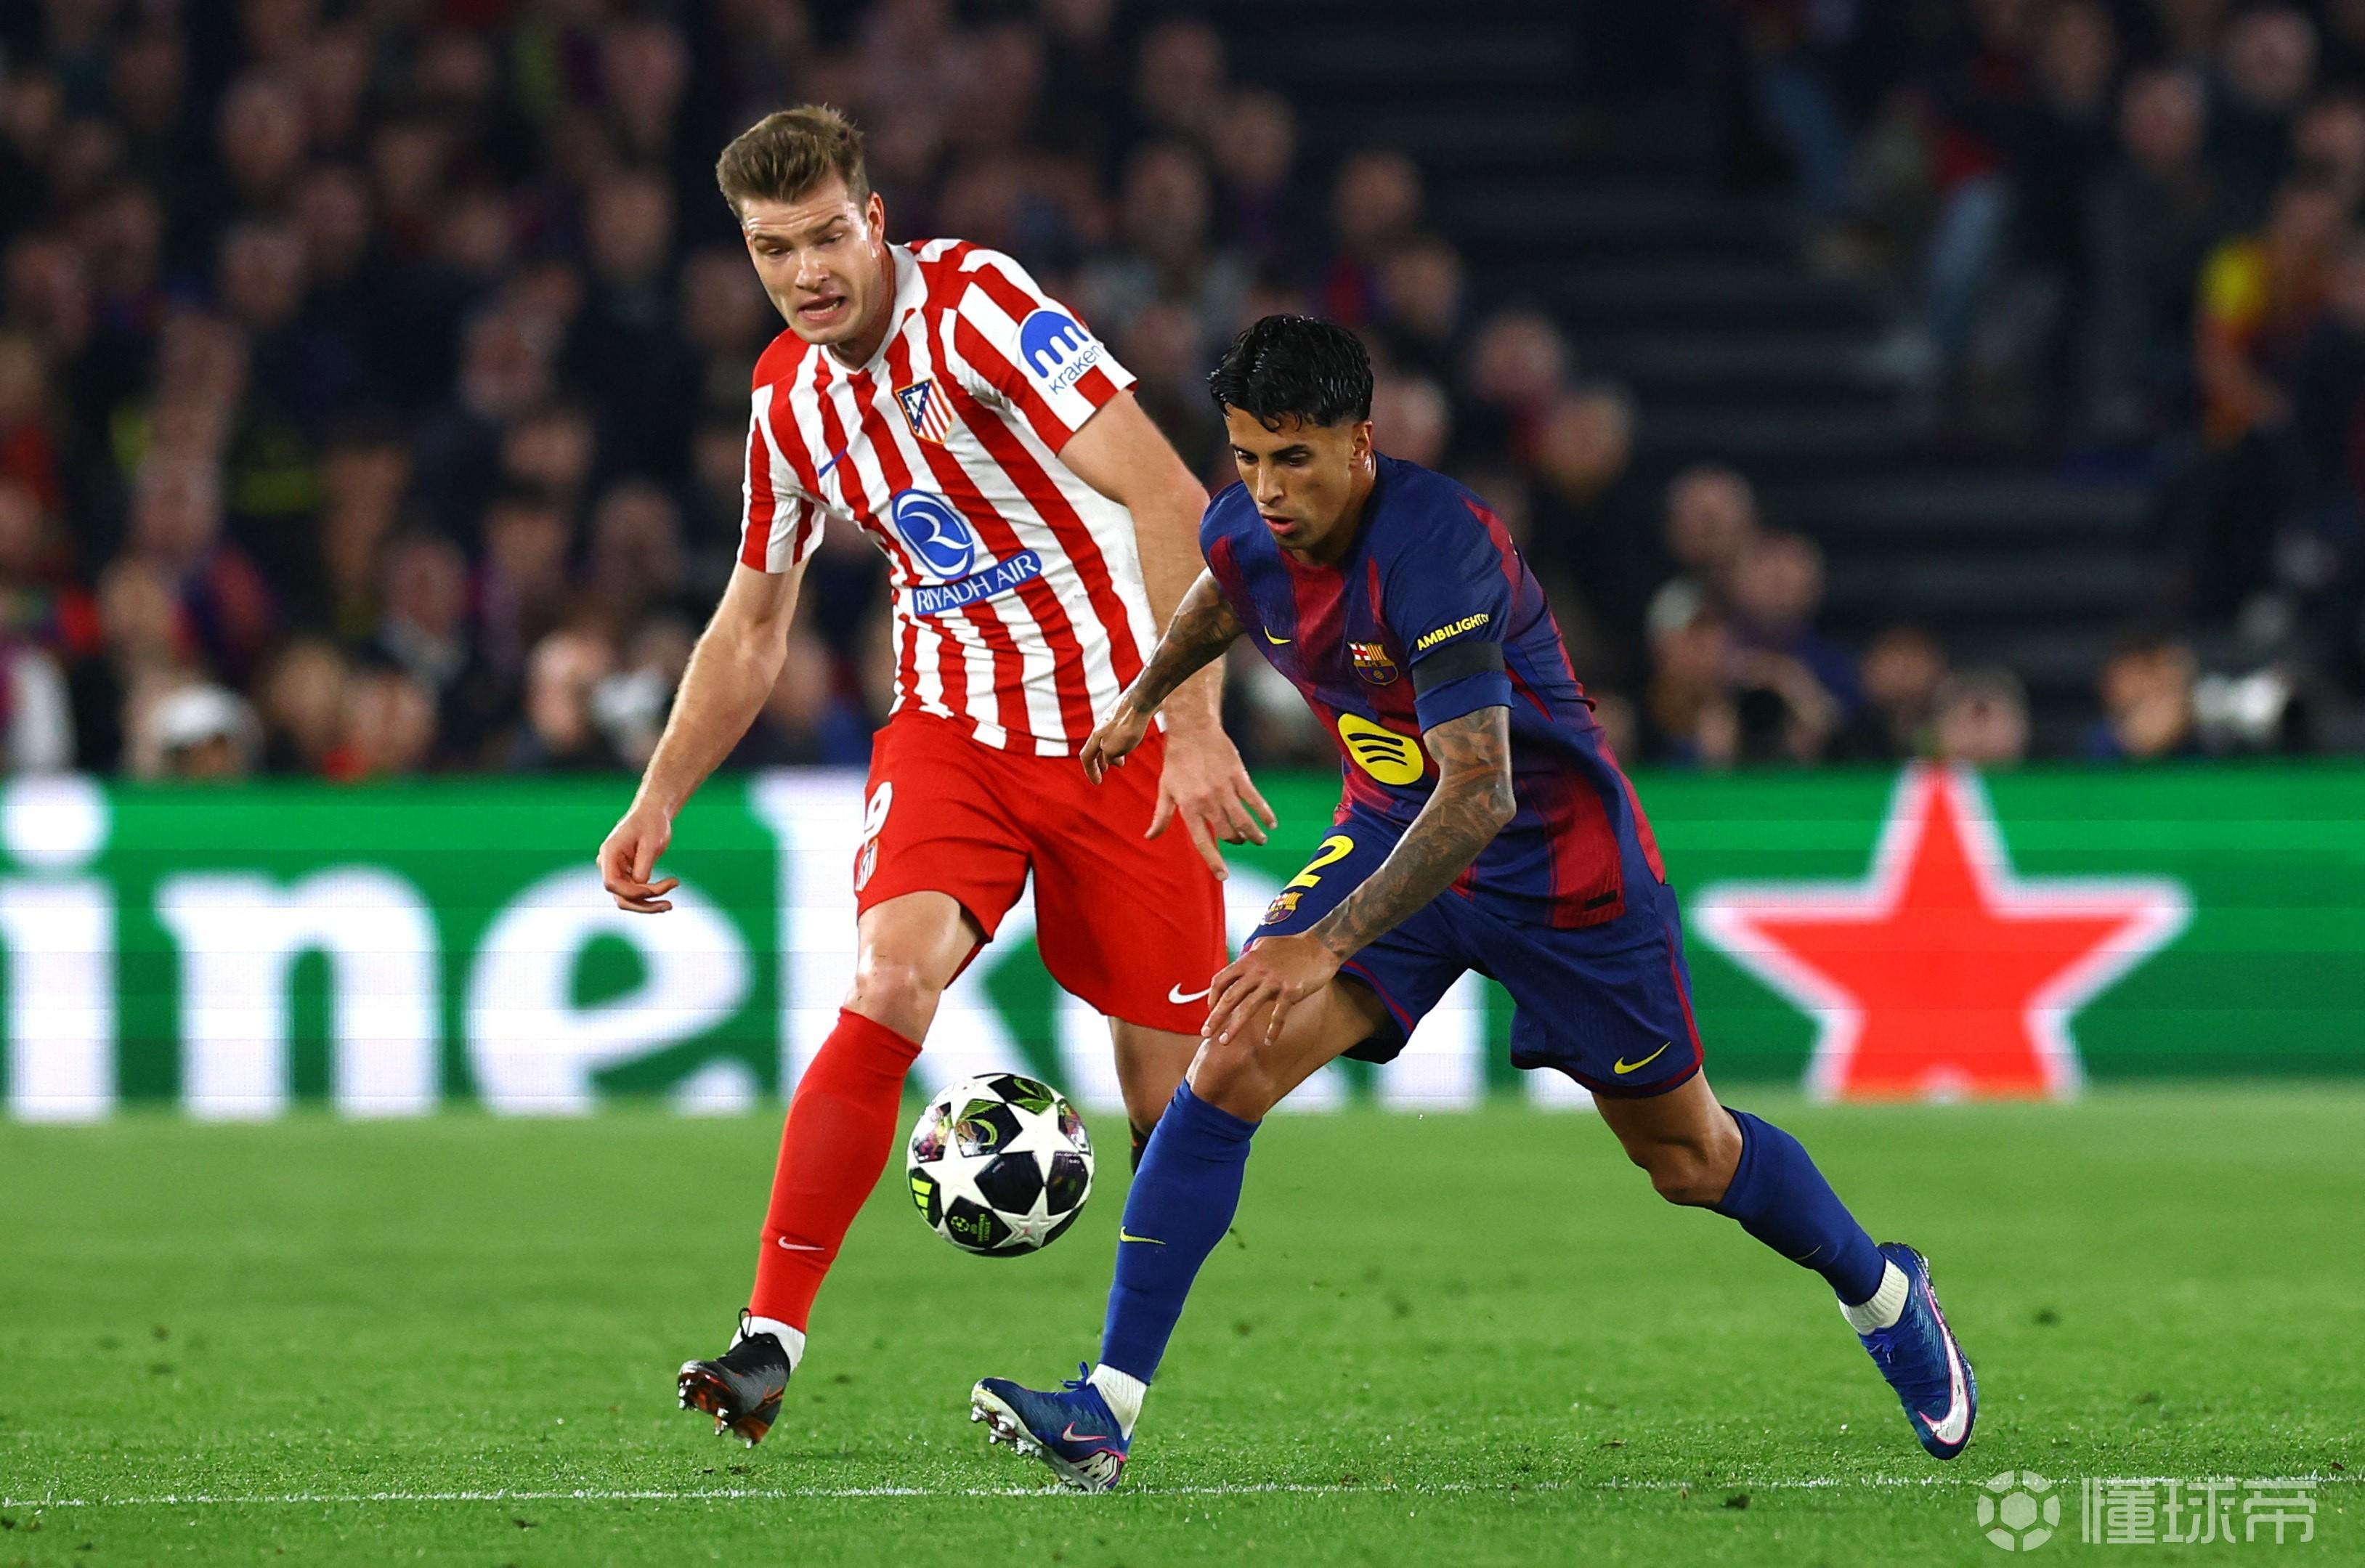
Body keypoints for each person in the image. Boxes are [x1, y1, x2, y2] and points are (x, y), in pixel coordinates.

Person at [969, 317, 1977, 1491]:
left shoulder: (1438, 550)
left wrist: (1324, 944)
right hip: (1392, 830)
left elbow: (1484, 792)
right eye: (1247, 457)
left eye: (1294, 458)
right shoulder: (1248, 523)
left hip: (1558, 871)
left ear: (1361, 441)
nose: (1268, 489)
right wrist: (1148, 694)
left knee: (1688, 1159)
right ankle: (1104, 1411)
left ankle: (1885, 1293)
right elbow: (1221, 590)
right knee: (1230, 1054)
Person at [593, 107, 1269, 1447]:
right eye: (772, 250)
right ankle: (767, 1344)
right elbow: (753, 623)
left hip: (1122, 734)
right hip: (953, 734)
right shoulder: (786, 401)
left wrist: (1192, 725)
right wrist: (658, 792)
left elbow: (1169, 497)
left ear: (876, 220)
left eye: (825, 238)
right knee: (890, 981)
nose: (805, 274)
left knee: (1177, 1105)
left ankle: (1109, 1402)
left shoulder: (980, 310)